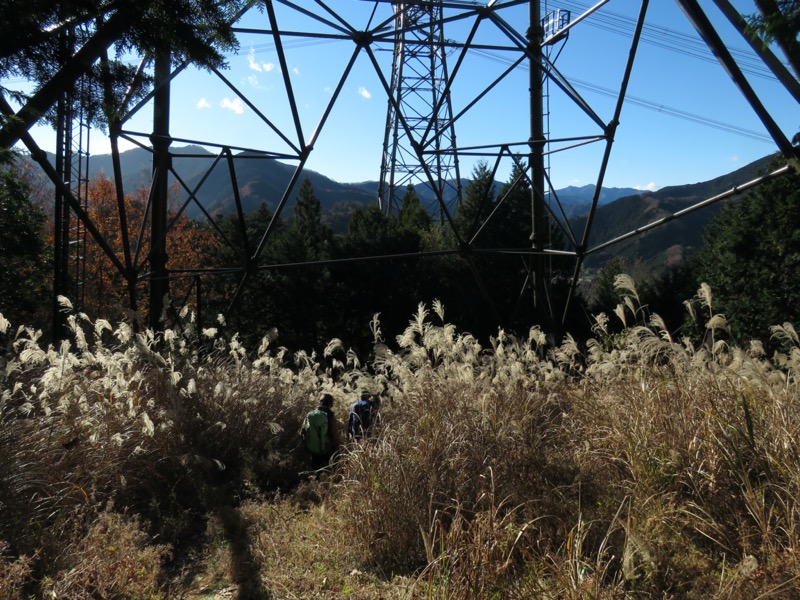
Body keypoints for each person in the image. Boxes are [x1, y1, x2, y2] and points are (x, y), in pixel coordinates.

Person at [301, 393, 338, 472]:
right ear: (330, 404)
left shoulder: (310, 414)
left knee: (316, 469)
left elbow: (302, 431)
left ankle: (315, 481)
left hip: (312, 448)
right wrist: (336, 447)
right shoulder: (330, 415)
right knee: (328, 470)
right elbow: (333, 434)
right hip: (326, 448)